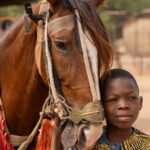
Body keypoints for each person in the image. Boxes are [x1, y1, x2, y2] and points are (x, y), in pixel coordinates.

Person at [92, 68, 150, 150]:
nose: (123, 105)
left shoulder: (147, 145)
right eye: (113, 99)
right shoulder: (87, 144)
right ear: (101, 105)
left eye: (131, 98)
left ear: (140, 103)